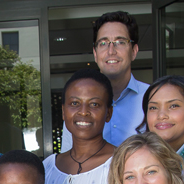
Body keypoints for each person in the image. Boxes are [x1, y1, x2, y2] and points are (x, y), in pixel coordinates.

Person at [39, 68, 116, 184]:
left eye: (95, 104)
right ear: (64, 111)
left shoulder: (122, 165)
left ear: (108, 113)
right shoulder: (47, 167)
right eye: (75, 103)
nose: (84, 112)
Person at [60, 11, 149, 152]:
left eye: (120, 42)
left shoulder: (152, 99)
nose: (111, 51)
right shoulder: (78, 108)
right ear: (95, 54)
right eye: (103, 43)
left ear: (134, 51)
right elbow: (69, 158)